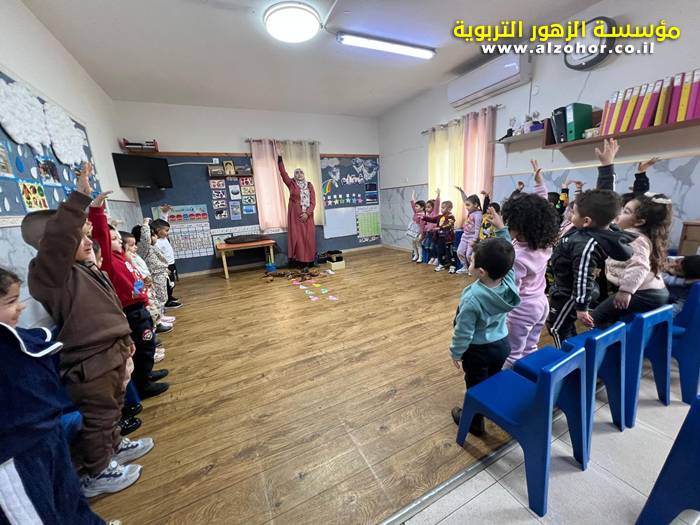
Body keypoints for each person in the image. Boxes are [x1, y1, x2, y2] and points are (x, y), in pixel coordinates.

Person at [22, 164, 147, 497]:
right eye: (80, 237)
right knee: (98, 416)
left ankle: (113, 447)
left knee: (113, 407)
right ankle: (97, 472)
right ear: (51, 245)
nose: (89, 242)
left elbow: (110, 308)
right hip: (91, 361)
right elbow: (60, 240)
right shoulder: (49, 275)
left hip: (112, 350)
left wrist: (126, 341)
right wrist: (79, 197)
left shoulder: (85, 267)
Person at [0, 268, 121, 524]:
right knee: (39, 514)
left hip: (47, 435)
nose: (20, 307)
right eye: (10, 301)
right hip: (14, 457)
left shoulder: (17, 338)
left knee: (70, 499)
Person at [546, 142, 635, 348]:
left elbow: (583, 276)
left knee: (556, 328)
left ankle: (567, 360)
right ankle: (574, 351)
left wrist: (581, 307)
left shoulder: (585, 243)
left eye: (574, 213)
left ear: (586, 220)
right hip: (567, 289)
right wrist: (607, 166)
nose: (571, 215)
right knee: (565, 326)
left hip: (569, 293)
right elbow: (606, 199)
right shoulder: (600, 225)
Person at [88, 192, 169, 400]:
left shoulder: (122, 258)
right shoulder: (109, 261)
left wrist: (144, 293)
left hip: (140, 307)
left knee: (147, 345)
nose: (118, 242)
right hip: (132, 311)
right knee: (143, 347)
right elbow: (100, 236)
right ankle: (143, 384)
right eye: (114, 239)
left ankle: (146, 375)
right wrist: (97, 210)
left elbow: (134, 279)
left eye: (118, 238)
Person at [449, 233, 520, 436]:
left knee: (475, 386)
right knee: (492, 379)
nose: (469, 262)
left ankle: (474, 422)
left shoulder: (472, 298)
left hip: (478, 351)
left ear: (481, 272)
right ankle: (489, 409)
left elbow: (463, 331)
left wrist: (456, 352)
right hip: (502, 345)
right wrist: (502, 234)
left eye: (471, 261)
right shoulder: (508, 281)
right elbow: (508, 260)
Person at [497, 161, 561, 367]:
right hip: (541, 303)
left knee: (512, 352)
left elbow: (510, 290)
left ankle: (509, 381)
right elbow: (542, 209)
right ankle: (529, 373)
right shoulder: (544, 243)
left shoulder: (517, 256)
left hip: (522, 308)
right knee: (530, 347)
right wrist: (540, 184)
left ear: (520, 226)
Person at [592, 193, 673, 326]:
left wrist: (626, 291)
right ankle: (614, 335)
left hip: (645, 293)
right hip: (652, 292)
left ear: (639, 222)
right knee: (611, 315)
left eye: (626, 212)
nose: (618, 214)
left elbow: (639, 266)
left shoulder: (634, 239)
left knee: (597, 316)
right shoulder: (637, 235)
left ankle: (605, 337)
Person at [278, 155, 317, 269]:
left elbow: (313, 202)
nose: (299, 174)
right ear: (294, 175)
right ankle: (300, 262)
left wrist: (307, 214)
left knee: (308, 239)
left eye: (301, 172)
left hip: (308, 217)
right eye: (296, 172)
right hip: (295, 218)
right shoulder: (291, 184)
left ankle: (310, 261)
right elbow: (283, 173)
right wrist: (280, 159)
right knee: (298, 239)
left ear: (304, 174)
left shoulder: (309, 185)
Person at [151, 211, 182, 309]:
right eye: (166, 231)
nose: (167, 233)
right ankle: (167, 302)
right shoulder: (156, 242)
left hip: (171, 263)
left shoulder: (163, 238)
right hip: (165, 266)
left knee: (171, 282)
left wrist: (165, 213)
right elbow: (156, 257)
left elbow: (164, 222)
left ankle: (170, 296)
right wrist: (164, 268)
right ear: (158, 230)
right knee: (166, 284)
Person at [422, 200, 456, 273]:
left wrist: (440, 228)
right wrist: (424, 217)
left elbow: (449, 224)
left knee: (449, 253)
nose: (441, 209)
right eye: (441, 207)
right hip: (440, 238)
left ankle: (452, 266)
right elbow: (432, 219)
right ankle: (441, 264)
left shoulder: (451, 216)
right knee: (440, 252)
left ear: (449, 209)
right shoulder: (440, 216)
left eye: (443, 208)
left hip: (448, 239)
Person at [454, 188, 483, 275]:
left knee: (468, 255)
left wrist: (474, 240)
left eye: (468, 205)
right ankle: (465, 268)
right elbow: (465, 200)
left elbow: (477, 229)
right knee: (459, 252)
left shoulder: (478, 215)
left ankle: (472, 269)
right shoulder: (471, 211)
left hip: (472, 238)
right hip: (465, 236)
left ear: (476, 205)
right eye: (466, 205)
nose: (466, 207)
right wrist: (462, 192)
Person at [423, 189, 441, 265]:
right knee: (428, 246)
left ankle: (436, 258)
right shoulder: (427, 215)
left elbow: (437, 204)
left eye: (429, 207)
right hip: (428, 233)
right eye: (426, 207)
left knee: (434, 246)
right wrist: (425, 229)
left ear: (433, 208)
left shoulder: (435, 213)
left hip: (434, 234)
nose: (426, 209)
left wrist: (438, 196)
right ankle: (432, 257)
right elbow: (425, 224)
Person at [409, 191, 426, 262]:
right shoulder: (416, 212)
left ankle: (420, 257)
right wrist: (413, 196)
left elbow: (422, 226)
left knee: (418, 244)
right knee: (413, 243)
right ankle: (416, 255)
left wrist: (421, 234)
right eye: (415, 206)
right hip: (413, 231)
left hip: (418, 232)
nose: (415, 207)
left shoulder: (422, 215)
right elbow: (413, 204)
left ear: (422, 208)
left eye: (417, 206)